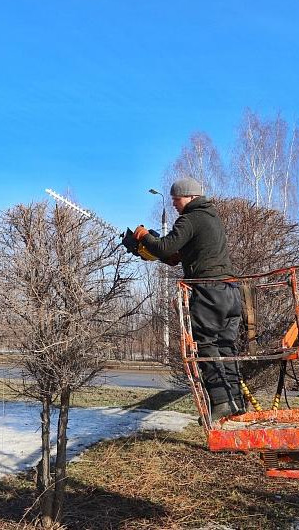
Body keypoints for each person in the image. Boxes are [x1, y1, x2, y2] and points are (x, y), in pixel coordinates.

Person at [123, 177, 244, 420]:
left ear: (190, 197)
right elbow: (179, 252)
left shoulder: (191, 217)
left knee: (205, 344)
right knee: (225, 347)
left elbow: (165, 247)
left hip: (209, 291)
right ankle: (236, 402)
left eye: (176, 200)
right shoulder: (211, 217)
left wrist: (144, 236)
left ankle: (220, 403)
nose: (175, 204)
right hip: (230, 292)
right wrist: (173, 255)